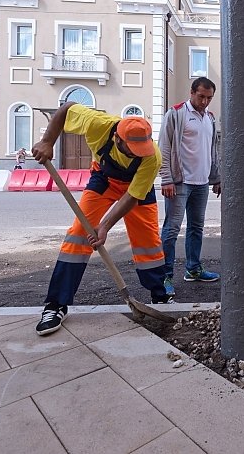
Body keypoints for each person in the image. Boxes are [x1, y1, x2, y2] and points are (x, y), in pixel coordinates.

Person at [31, 102, 168, 335]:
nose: (140, 152)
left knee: (148, 241)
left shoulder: (152, 157)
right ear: (117, 139)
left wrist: (104, 226)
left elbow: (132, 196)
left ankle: (160, 296)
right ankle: (56, 304)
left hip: (134, 188)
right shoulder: (97, 124)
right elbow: (66, 108)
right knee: (78, 236)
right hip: (104, 180)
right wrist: (47, 141)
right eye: (133, 149)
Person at [158, 76, 221, 299]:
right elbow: (163, 148)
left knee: (196, 228)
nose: (205, 102)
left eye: (209, 98)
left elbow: (213, 150)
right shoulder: (175, 114)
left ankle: (193, 269)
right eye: (201, 96)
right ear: (192, 92)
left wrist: (217, 178)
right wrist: (166, 179)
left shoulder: (210, 118)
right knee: (171, 230)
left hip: (202, 183)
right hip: (179, 182)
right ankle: (164, 277)